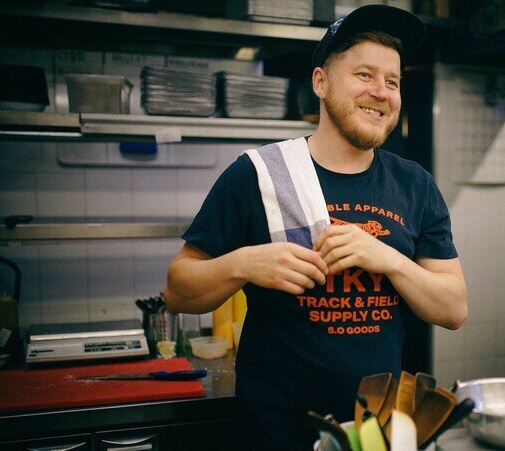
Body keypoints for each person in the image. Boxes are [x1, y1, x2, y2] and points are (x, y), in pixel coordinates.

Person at [163, 5, 467, 450]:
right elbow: (177, 292)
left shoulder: (415, 185)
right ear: (321, 82)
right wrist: (243, 263)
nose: (381, 92)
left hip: (371, 436)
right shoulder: (258, 175)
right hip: (273, 435)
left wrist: (389, 259)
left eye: (393, 81)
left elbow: (454, 309)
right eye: (364, 75)